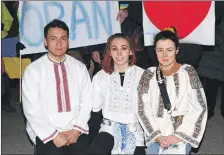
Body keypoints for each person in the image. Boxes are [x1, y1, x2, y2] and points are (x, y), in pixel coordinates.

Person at [22, 19, 92, 155]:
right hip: (45, 130)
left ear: (68, 41)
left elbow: (87, 101)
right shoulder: (33, 70)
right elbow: (31, 109)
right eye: (53, 38)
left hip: (76, 128)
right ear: (45, 41)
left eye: (63, 38)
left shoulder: (79, 67)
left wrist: (77, 130)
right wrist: (54, 135)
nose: (59, 43)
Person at [137, 27, 207, 154]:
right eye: (160, 50)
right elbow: (142, 108)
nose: (164, 55)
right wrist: (158, 136)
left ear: (177, 50)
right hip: (155, 135)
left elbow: (199, 107)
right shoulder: (148, 75)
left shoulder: (188, 72)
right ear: (155, 51)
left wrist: (178, 136)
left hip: (180, 135)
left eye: (169, 50)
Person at [89, 33, 145, 155]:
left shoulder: (144, 75)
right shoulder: (100, 76)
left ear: (130, 51)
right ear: (109, 52)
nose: (119, 53)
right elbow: (95, 111)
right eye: (114, 49)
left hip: (135, 130)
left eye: (123, 48)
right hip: (108, 129)